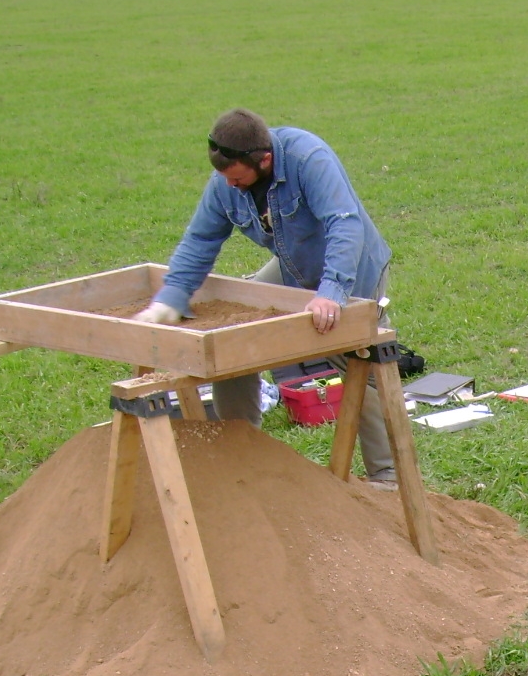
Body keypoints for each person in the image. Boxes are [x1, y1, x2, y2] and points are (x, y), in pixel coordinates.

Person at [135, 109, 398, 485]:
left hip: (352, 264)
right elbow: (200, 239)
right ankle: (242, 457)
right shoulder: (225, 182)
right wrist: (171, 298)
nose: (232, 186)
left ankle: (387, 476)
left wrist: (332, 293)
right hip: (294, 266)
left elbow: (344, 224)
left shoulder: (309, 158)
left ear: (265, 160)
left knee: (357, 356)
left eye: (238, 178)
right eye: (225, 179)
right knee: (238, 338)